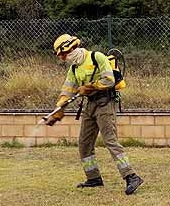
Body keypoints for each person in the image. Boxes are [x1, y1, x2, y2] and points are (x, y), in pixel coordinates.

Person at [43, 34, 143, 195]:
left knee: (110, 141)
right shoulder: (74, 68)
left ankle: (131, 176)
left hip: (104, 103)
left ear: (71, 49)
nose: (62, 58)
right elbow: (67, 89)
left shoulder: (97, 57)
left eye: (63, 54)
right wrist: (58, 109)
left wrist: (90, 87)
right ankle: (94, 178)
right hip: (89, 106)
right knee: (84, 143)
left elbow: (109, 80)